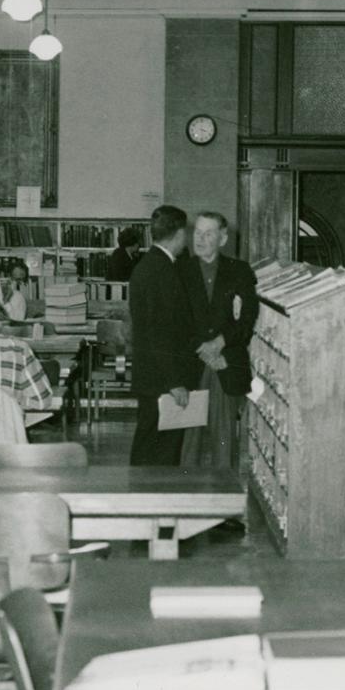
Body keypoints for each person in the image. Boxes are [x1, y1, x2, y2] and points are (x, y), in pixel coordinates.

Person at [178, 212, 258, 486]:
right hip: (191, 364)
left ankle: (224, 503)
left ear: (222, 238)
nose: (200, 239)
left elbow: (247, 319)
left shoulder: (240, 271)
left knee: (224, 437)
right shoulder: (180, 270)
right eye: (197, 232)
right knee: (188, 438)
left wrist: (219, 344)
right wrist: (203, 349)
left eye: (208, 233)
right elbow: (175, 320)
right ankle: (185, 501)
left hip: (226, 362)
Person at [128, 204, 198, 466]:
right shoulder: (163, 272)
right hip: (163, 380)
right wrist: (174, 381)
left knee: (148, 444)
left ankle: (142, 499)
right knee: (161, 452)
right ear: (180, 233)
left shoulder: (147, 266)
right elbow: (161, 333)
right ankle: (152, 501)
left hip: (151, 375)